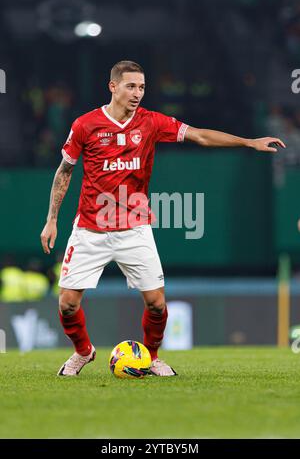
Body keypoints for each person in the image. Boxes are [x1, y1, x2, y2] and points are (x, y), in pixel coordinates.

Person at [40, 60, 285, 377]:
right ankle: (83, 351)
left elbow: (199, 136)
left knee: (156, 303)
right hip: (90, 229)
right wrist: (52, 220)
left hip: (134, 228)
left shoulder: (151, 122)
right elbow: (65, 171)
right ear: (112, 86)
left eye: (142, 87)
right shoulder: (85, 125)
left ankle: (152, 356)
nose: (137, 93)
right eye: (131, 86)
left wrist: (249, 142)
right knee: (67, 304)